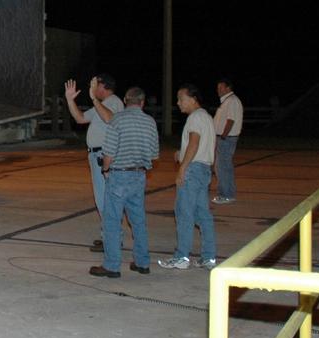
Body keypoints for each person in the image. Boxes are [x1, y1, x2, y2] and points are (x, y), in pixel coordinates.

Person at [89, 86, 159, 278]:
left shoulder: (117, 120)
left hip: (119, 175)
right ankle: (142, 262)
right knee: (138, 222)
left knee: (112, 221)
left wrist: (105, 169)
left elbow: (109, 151)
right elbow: (154, 153)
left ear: (126, 101)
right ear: (142, 102)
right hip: (139, 176)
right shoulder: (150, 122)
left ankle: (112, 265)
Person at [160, 84, 217, 269]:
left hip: (193, 170)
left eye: (180, 98)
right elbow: (203, 146)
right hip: (204, 169)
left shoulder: (195, 117)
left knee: (184, 212)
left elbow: (194, 141)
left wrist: (182, 168)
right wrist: (181, 154)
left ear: (193, 99)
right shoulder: (207, 117)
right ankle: (208, 257)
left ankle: (182, 257)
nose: (178, 103)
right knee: (203, 215)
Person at [65, 74, 123, 252]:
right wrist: (69, 100)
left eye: (94, 85)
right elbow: (80, 118)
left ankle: (112, 240)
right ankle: (108, 236)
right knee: (102, 199)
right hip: (95, 156)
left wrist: (92, 99)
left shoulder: (113, 102)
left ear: (103, 86)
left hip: (104, 156)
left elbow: (109, 118)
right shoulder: (102, 104)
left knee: (106, 199)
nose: (92, 88)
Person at [212, 78, 244, 204]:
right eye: (218, 88)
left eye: (221, 88)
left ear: (228, 88)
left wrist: (223, 135)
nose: (218, 90)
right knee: (222, 166)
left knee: (223, 167)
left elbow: (231, 120)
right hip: (223, 138)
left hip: (226, 138)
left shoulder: (232, 101)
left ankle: (226, 194)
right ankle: (227, 193)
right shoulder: (226, 102)